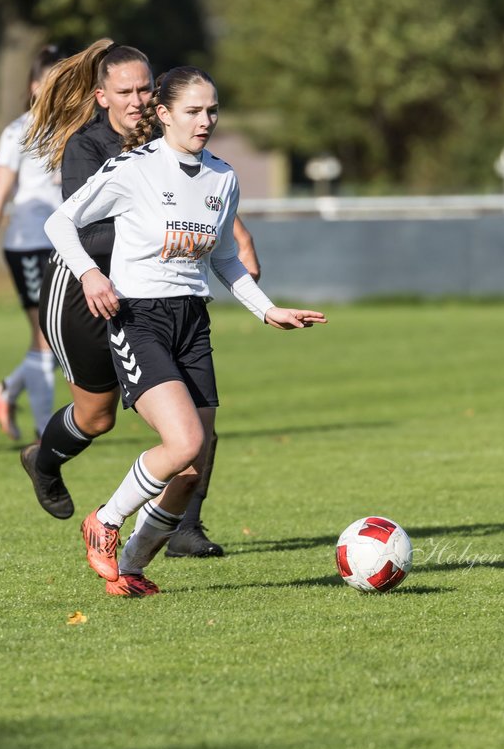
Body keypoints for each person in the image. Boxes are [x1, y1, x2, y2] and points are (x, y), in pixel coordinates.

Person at [43, 65, 326, 595]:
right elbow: (59, 222)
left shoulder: (223, 177)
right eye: (193, 111)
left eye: (212, 110)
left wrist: (266, 309)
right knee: (183, 441)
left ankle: (129, 568)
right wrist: (90, 273)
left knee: (192, 467)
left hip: (191, 321)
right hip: (139, 318)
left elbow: (225, 259)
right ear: (164, 114)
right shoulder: (134, 168)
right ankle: (104, 521)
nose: (205, 121)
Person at [19, 39, 260, 559]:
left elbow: (200, 195)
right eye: (124, 91)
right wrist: (169, 234)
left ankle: (184, 528)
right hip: (83, 291)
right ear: (102, 96)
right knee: (97, 417)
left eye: (144, 88)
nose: (136, 99)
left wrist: (232, 236)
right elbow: (92, 231)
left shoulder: (172, 136)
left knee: (196, 427)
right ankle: (43, 460)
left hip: (148, 301)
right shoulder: (89, 147)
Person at [0, 44, 67, 442]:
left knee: (64, 339)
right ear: (34, 87)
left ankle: (6, 391)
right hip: (28, 244)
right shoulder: (18, 132)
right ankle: (46, 435)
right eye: (50, 84)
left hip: (65, 246)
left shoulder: (75, 129)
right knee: (46, 338)